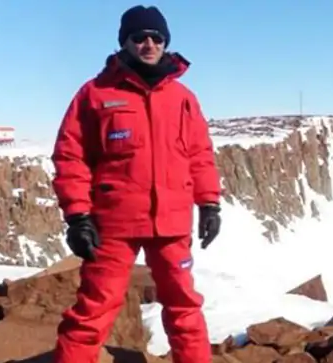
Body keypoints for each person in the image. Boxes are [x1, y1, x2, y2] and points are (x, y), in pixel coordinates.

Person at [50, 5, 221, 363]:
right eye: (138, 37)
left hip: (172, 224)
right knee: (92, 313)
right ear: (124, 42)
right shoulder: (95, 93)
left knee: (184, 309)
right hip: (114, 224)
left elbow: (200, 154)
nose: (148, 43)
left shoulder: (182, 98)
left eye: (156, 37)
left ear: (166, 42)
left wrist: (209, 204)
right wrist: (78, 216)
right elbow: (71, 156)